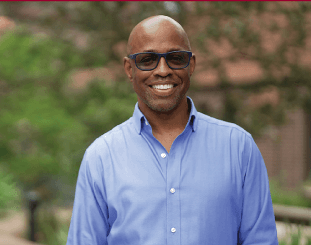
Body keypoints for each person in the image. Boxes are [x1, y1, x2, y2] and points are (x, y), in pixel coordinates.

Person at [66, 15, 278, 245]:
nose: (163, 70)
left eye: (176, 58)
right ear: (129, 69)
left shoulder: (238, 148)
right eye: (148, 60)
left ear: (192, 64)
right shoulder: (100, 157)